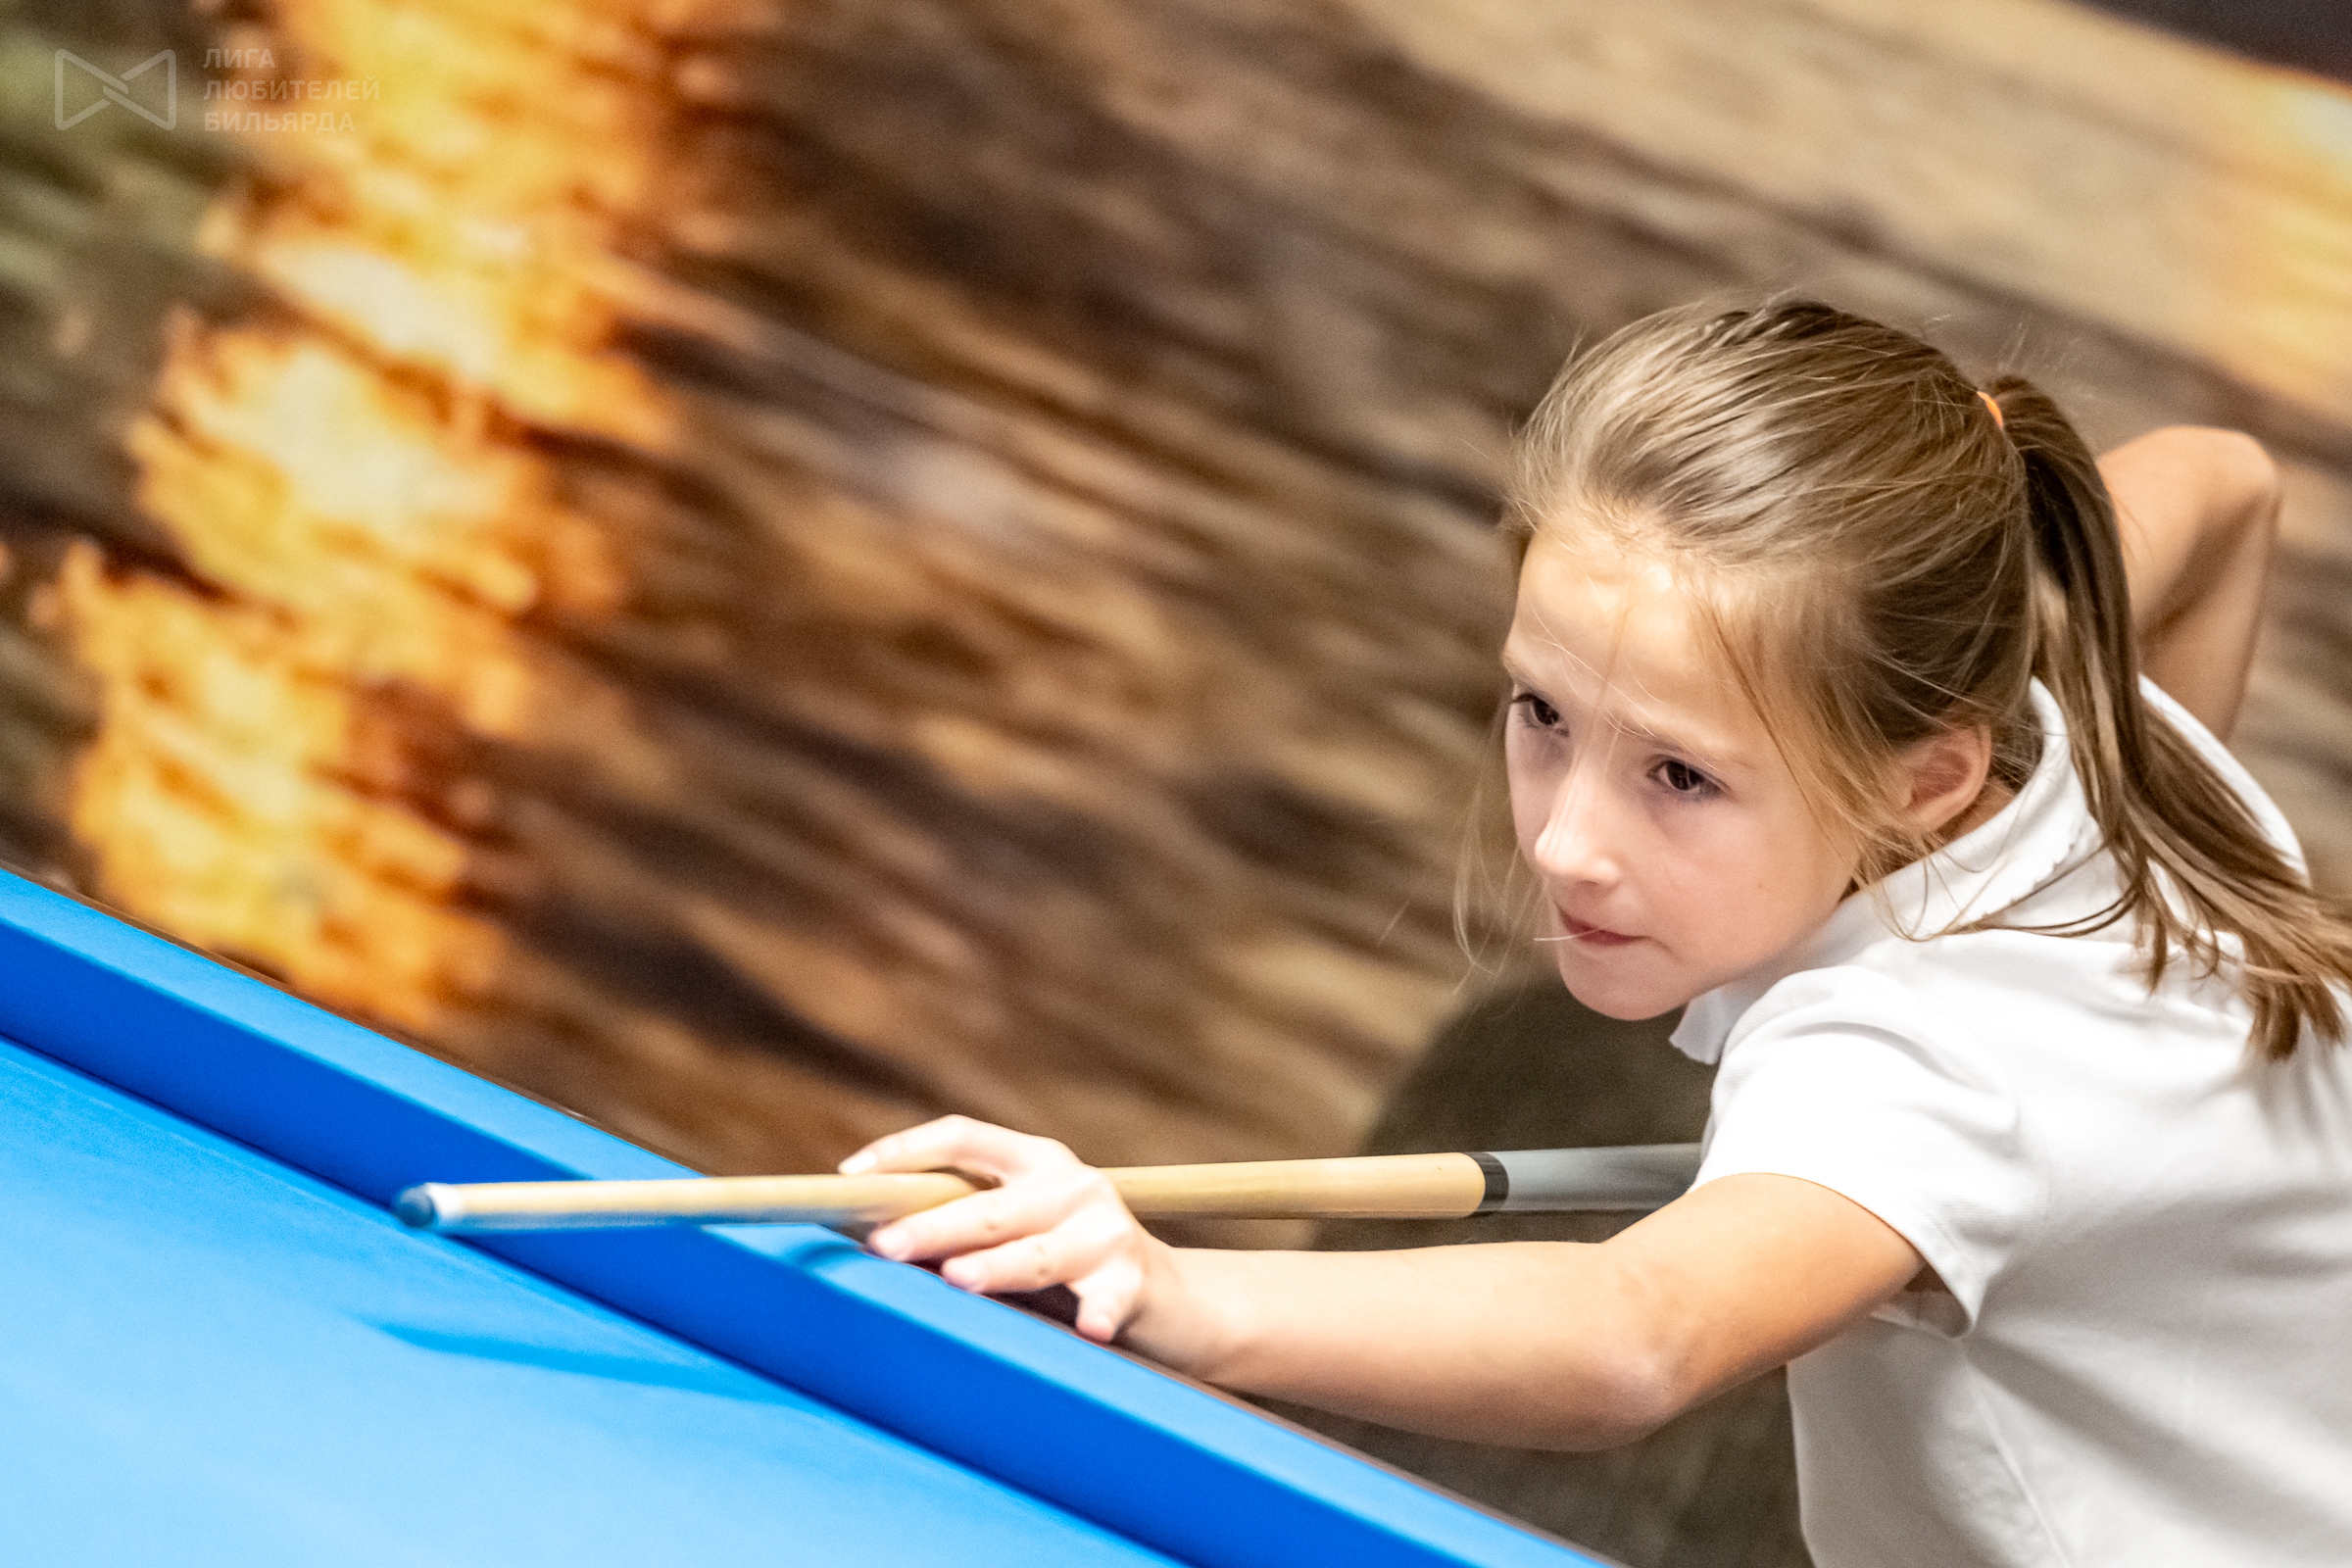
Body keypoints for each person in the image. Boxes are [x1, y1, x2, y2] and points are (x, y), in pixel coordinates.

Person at [838, 302, 2352, 1565]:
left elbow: (1639, 1329)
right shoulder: (2082, 742)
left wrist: (1177, 1293)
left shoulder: (1916, 1055)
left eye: (1679, 776)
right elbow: (2224, 484)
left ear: (1923, 782)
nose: (1566, 841)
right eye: (1542, 712)